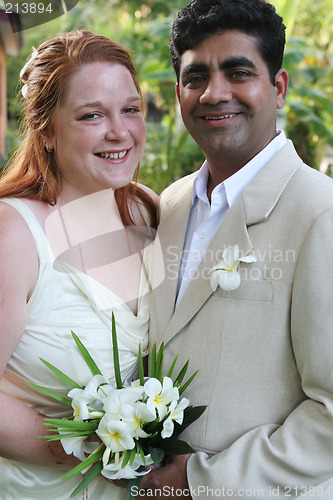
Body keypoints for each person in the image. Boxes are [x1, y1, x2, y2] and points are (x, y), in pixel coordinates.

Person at [144, 0, 333, 498]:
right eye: (195, 76)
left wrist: (196, 481)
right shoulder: (172, 203)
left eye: (238, 71)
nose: (214, 93)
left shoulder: (320, 212)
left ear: (279, 87)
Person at [0, 30, 157, 499]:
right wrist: (95, 448)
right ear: (46, 131)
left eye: (130, 109)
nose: (120, 131)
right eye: (92, 115)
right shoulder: (14, 235)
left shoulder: (148, 211)